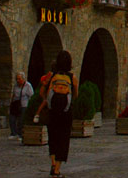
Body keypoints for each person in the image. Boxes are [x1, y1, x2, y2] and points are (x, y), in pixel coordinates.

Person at [37, 50, 78, 178]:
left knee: (53, 137)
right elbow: (75, 94)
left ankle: (53, 163)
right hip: (66, 113)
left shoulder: (51, 75)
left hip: (52, 111)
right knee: (63, 139)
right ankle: (57, 170)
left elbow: (41, 93)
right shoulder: (72, 77)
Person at [8, 71, 33, 140]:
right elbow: (14, 94)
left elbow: (31, 95)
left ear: (23, 79)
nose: (18, 80)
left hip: (24, 104)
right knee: (12, 118)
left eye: (19, 79)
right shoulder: (16, 85)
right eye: (17, 79)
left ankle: (21, 134)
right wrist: (11, 102)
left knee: (21, 120)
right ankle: (13, 132)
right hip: (15, 104)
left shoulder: (28, 85)